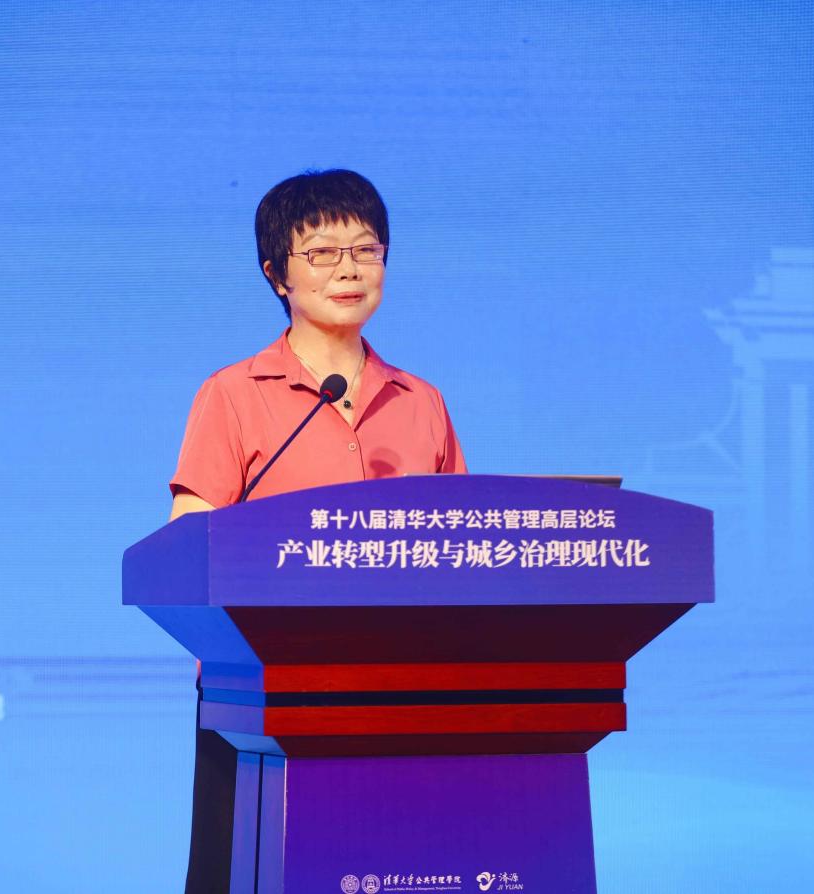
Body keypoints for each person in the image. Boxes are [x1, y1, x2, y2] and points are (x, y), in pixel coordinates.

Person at [168, 169, 466, 891]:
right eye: (322, 253)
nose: (349, 269)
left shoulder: (422, 401)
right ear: (277, 274)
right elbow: (186, 547)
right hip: (262, 697)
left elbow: (460, 549)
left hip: (404, 690)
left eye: (366, 249)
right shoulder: (234, 395)